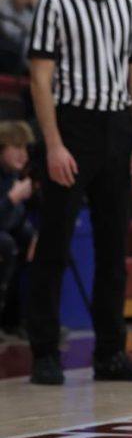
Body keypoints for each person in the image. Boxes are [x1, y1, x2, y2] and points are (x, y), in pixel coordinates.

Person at [25, 0, 132, 385]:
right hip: (72, 127)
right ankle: (43, 351)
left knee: (113, 247)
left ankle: (110, 353)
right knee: (55, 243)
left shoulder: (127, 4)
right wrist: (53, 144)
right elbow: (40, 80)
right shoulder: (54, 3)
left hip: (117, 129)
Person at [0, 120, 36, 337]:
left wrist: (34, 235)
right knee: (6, 244)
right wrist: (12, 198)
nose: (23, 155)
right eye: (17, 147)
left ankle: (17, 319)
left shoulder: (13, 176)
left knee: (31, 242)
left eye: (25, 148)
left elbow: (16, 220)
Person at [0, 0, 37, 75]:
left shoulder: (26, 11)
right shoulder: (4, 9)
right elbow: (9, 32)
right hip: (9, 43)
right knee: (27, 42)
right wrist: (25, 31)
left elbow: (35, 28)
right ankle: (30, 70)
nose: (25, 0)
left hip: (24, 41)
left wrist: (33, 7)